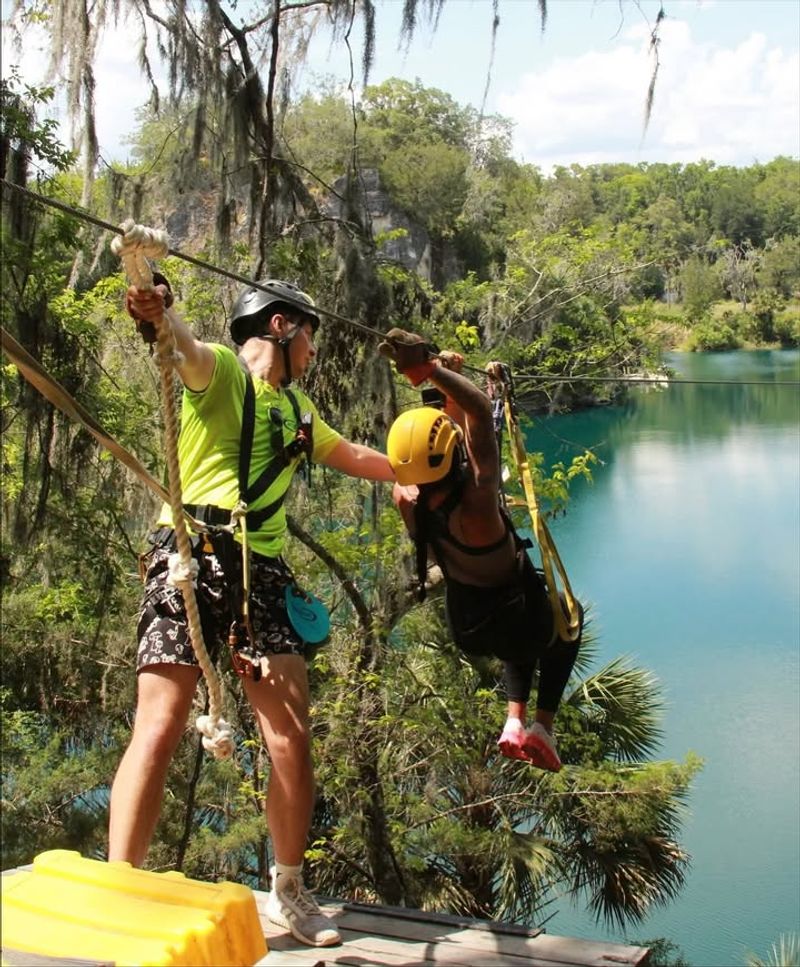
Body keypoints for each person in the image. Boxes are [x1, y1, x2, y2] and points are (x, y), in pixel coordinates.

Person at [109, 278, 395, 948]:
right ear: (280, 326)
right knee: (160, 721)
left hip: (259, 573)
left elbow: (350, 455)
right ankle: (118, 885)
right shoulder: (224, 374)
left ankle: (288, 889)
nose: (317, 352)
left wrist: (413, 473)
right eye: (311, 337)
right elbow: (180, 346)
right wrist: (157, 311)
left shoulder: (298, 411)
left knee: (291, 738)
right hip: (189, 552)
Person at [379, 329, 582, 772]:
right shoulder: (478, 497)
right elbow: (475, 414)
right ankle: (542, 728)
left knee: (517, 632)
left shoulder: (405, 499)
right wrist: (430, 371)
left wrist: (442, 381)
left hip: (469, 625)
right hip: (519, 615)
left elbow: (429, 449)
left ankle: (513, 722)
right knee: (566, 619)